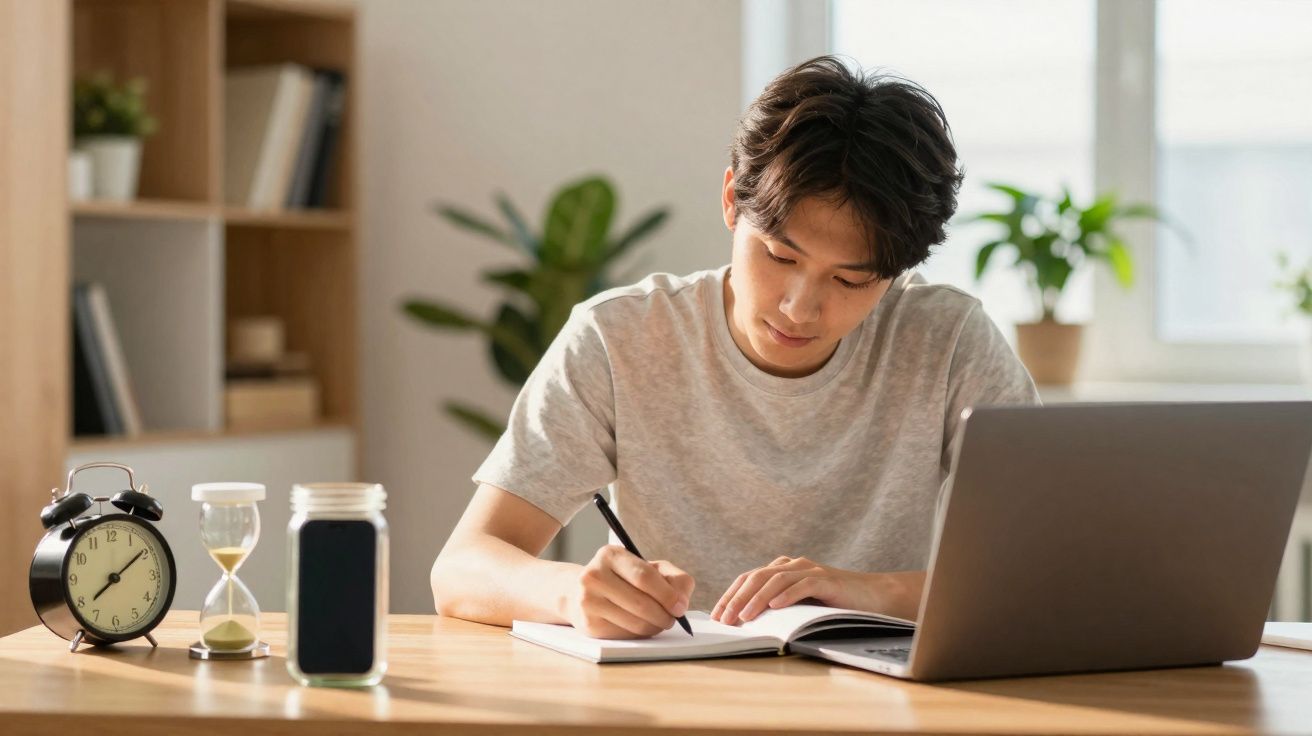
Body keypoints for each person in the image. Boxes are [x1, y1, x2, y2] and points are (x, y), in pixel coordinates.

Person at [430, 55, 1039, 639]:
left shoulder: (948, 340)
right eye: (779, 256)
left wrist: (869, 593)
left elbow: (1044, 570)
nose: (801, 307)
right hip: (675, 690)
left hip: (880, 695)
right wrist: (568, 593)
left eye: (851, 280)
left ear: (899, 270)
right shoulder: (621, 337)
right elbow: (461, 568)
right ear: (730, 199)